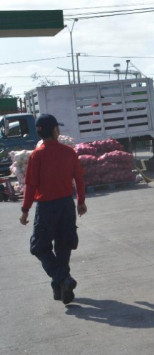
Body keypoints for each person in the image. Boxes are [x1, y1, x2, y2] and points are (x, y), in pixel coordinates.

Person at [19, 114, 87, 304]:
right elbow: (79, 178)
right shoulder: (68, 152)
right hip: (66, 205)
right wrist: (81, 201)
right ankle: (61, 285)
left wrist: (25, 210)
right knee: (64, 245)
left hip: (46, 207)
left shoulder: (37, 155)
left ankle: (61, 281)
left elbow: (30, 186)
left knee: (39, 247)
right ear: (55, 130)